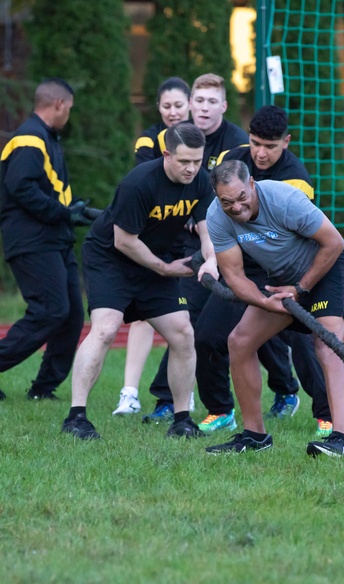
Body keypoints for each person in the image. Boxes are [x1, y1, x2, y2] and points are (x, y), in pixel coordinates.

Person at [61, 123, 217, 440]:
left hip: (156, 260)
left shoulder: (200, 181)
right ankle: (76, 417)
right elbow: (124, 241)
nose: (191, 169)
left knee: (184, 333)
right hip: (111, 259)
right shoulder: (140, 183)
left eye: (197, 161)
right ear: (166, 154)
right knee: (105, 328)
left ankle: (182, 420)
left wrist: (211, 260)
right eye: (184, 161)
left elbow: (206, 228)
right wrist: (164, 268)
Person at [195, 105, 333, 439]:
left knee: (306, 341)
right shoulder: (234, 159)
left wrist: (296, 289)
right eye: (255, 142)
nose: (260, 152)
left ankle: (326, 415)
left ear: (285, 142)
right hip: (242, 265)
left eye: (270, 146)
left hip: (288, 268)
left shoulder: (296, 180)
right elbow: (216, 210)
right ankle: (221, 410)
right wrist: (212, 258)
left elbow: (308, 241)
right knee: (209, 336)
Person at [203, 160, 344, 458]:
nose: (236, 207)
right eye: (227, 201)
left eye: (241, 198)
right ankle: (255, 436)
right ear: (216, 195)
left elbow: (334, 242)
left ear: (252, 184)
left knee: (326, 344)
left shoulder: (285, 199)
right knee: (239, 342)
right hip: (282, 283)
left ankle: (341, 440)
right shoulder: (216, 217)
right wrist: (265, 301)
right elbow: (234, 276)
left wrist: (301, 288)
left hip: (326, 269)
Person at [0, 78, 91, 402]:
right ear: (59, 104)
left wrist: (72, 212)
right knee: (51, 309)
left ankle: (43, 388)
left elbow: (48, 189)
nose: (69, 115)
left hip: (54, 240)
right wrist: (64, 213)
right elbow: (22, 188)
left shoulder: (46, 138)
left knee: (72, 314)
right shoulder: (28, 139)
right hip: (33, 241)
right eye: (70, 109)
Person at [138, 72, 252, 423]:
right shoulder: (180, 137)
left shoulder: (237, 143)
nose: (203, 108)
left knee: (261, 328)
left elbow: (233, 194)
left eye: (210, 101)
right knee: (187, 320)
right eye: (198, 101)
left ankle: (287, 390)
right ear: (190, 105)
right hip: (193, 246)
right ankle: (168, 400)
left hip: (233, 244)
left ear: (224, 106)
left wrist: (203, 214)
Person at [113, 77, 192, 416]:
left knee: (189, 322)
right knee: (144, 317)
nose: (173, 112)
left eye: (178, 105)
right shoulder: (148, 140)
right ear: (158, 108)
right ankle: (129, 394)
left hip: (188, 242)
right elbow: (153, 185)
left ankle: (181, 399)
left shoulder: (200, 138)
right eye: (166, 106)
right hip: (156, 238)